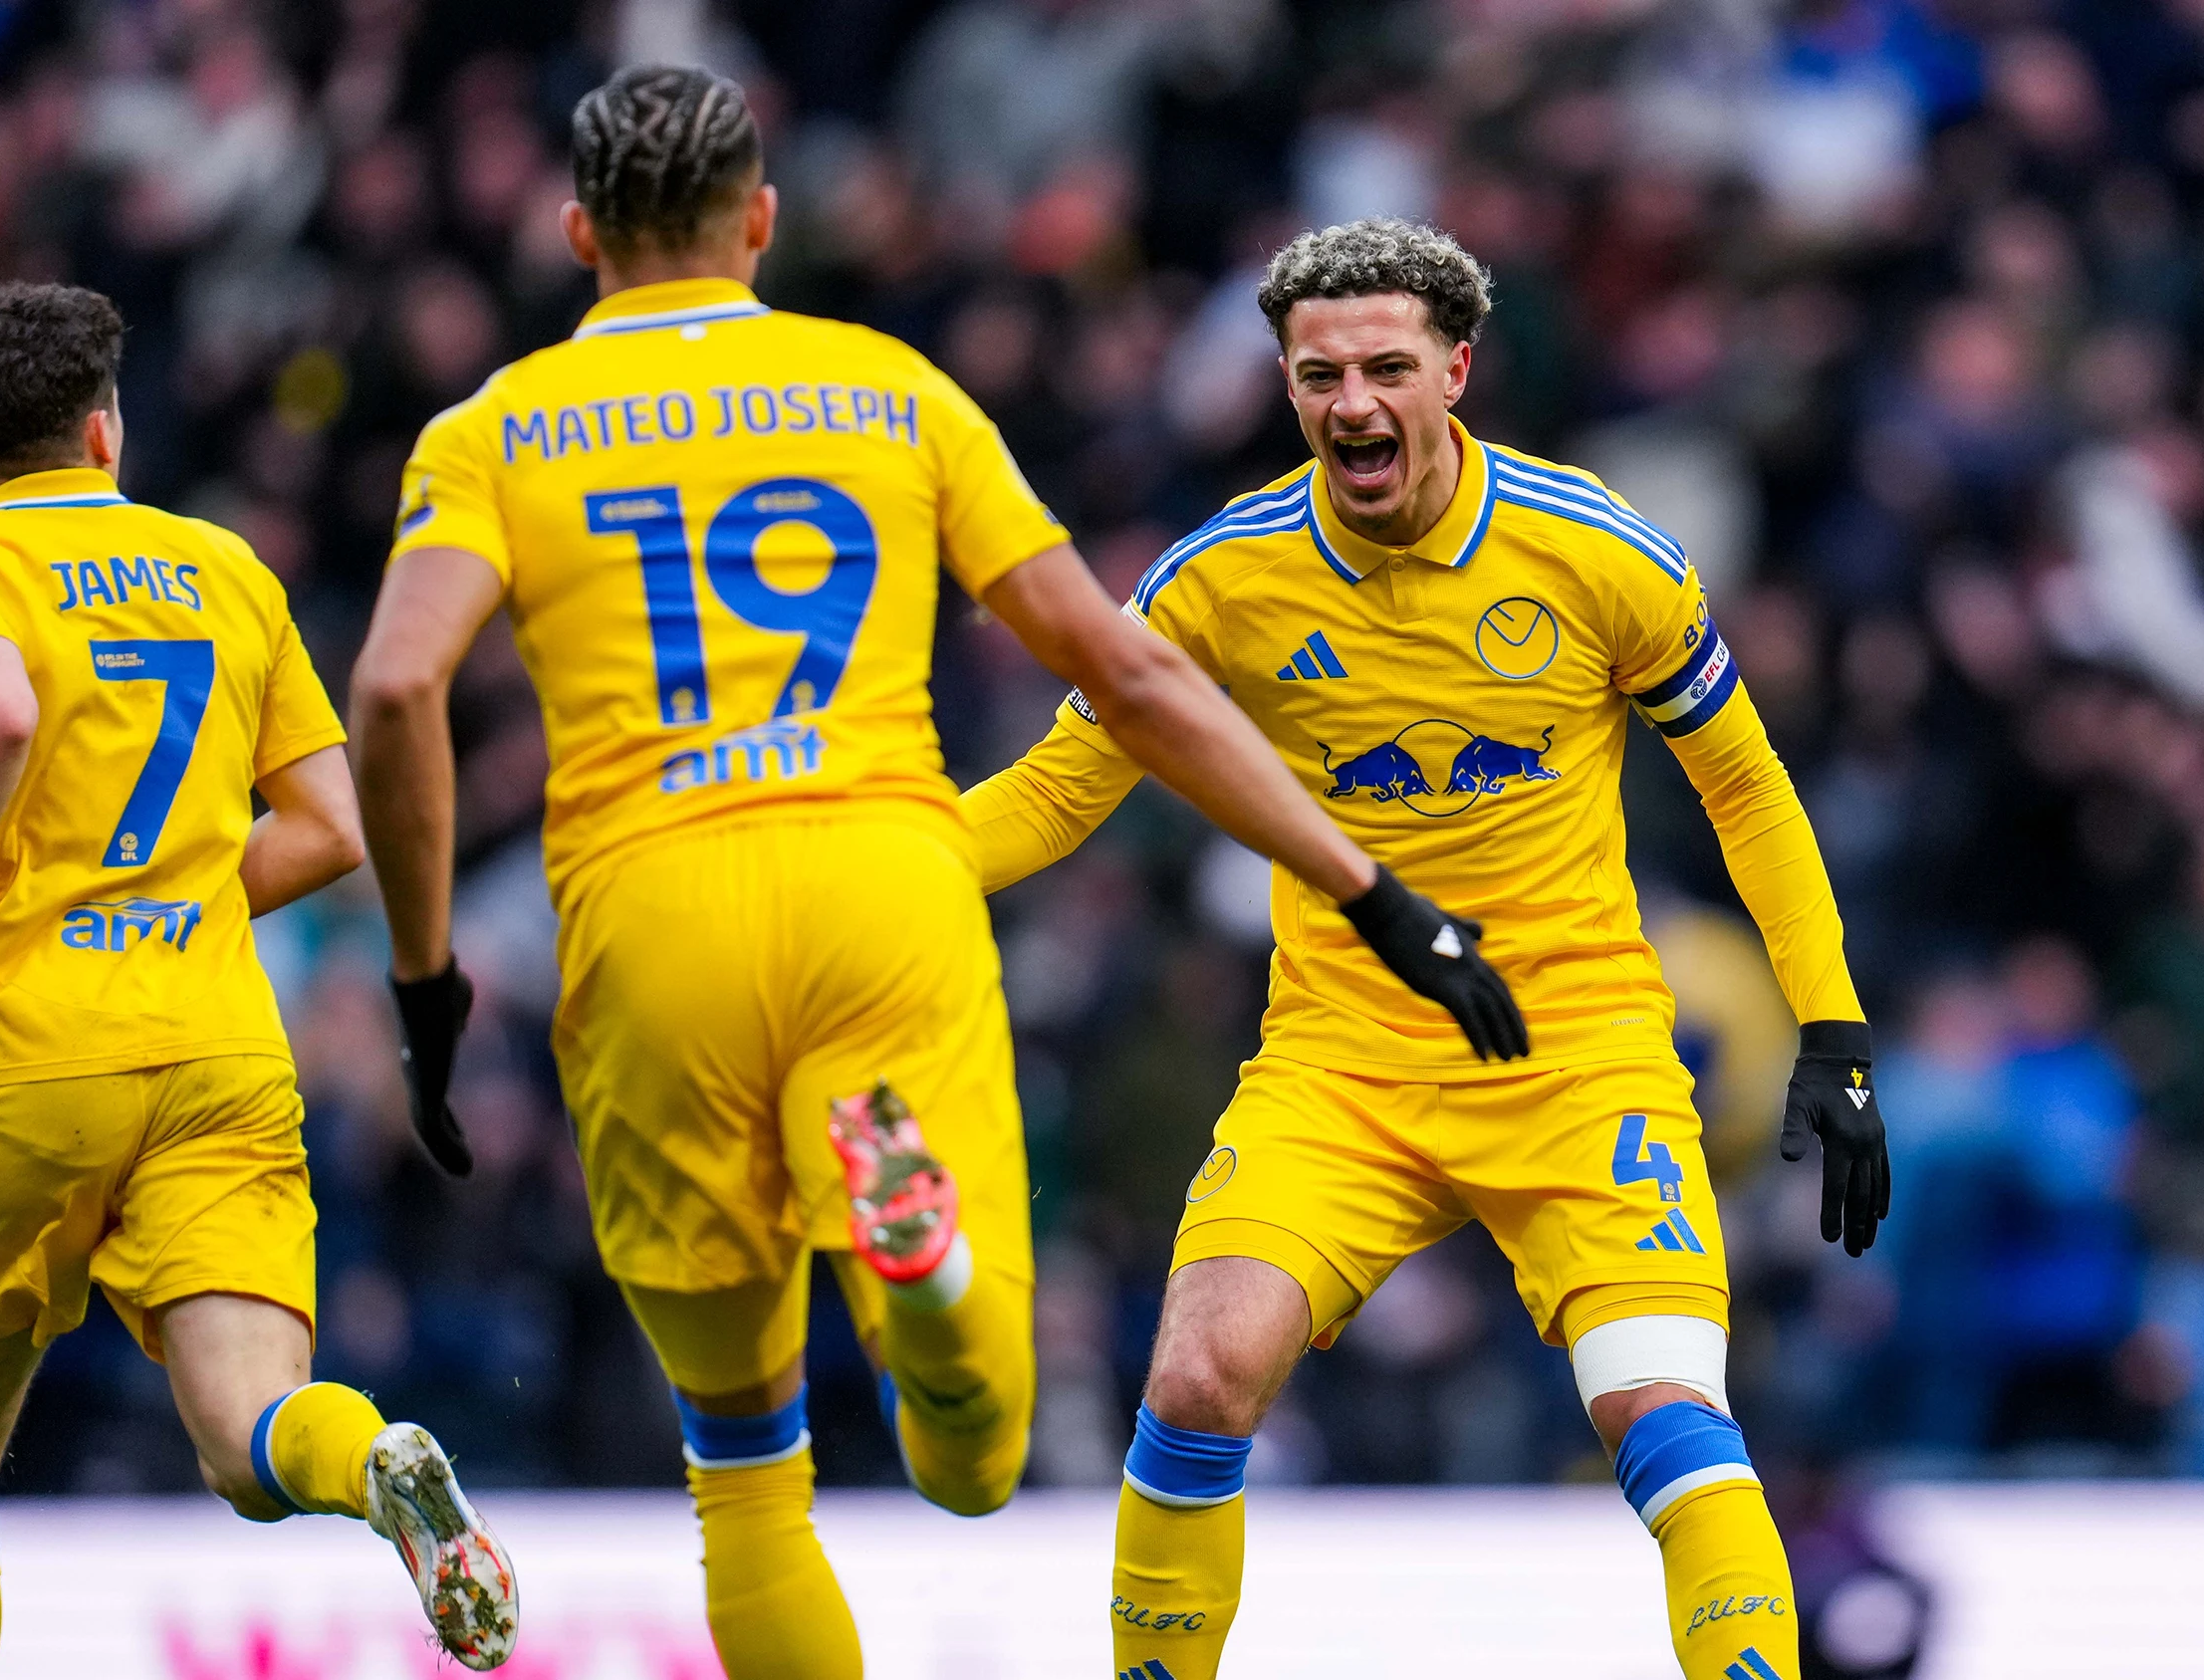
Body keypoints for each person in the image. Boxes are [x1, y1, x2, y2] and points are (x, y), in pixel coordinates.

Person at [350, 68, 1516, 1680]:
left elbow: (398, 688)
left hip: (645, 910)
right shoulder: (887, 390)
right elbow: (1128, 671)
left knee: (744, 1481)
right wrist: (1376, 892)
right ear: (761, 221)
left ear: (575, 235)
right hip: (882, 876)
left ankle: (893, 1293)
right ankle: (931, 1262)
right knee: (975, 1455)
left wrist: (423, 978)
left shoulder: (495, 429)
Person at [959, 219, 1890, 1680]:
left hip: (1576, 1052)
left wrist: (1830, 1025)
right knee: (1196, 1375)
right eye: (1317, 373)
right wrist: (877, 874)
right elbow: (1058, 789)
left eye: (1387, 366)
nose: (1352, 403)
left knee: (1663, 1414)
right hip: (1345, 1062)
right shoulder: (1220, 581)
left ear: (1455, 370)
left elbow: (1747, 783)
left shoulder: (1594, 549)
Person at [0, 282, 516, 1678]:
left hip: (29, 1052)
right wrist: (177, 899)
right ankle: (375, 1459)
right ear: (103, 427)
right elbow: (328, 825)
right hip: (216, 1053)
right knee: (255, 1436)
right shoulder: (228, 566)